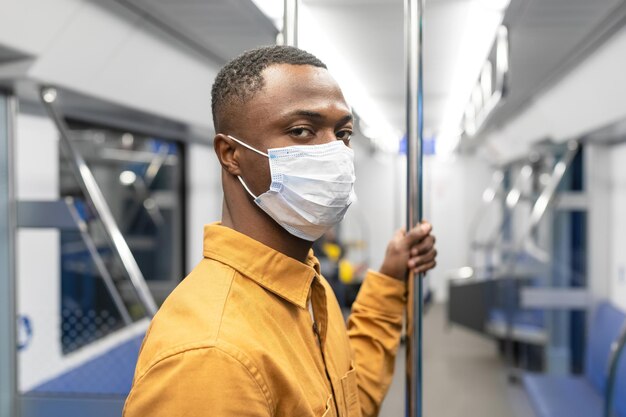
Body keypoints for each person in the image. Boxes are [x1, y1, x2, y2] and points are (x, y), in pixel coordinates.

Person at [123, 45, 437, 417]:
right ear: (230, 154)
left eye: (343, 133)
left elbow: (345, 403)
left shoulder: (304, 287)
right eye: (302, 131)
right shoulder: (212, 356)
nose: (334, 152)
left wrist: (388, 280)